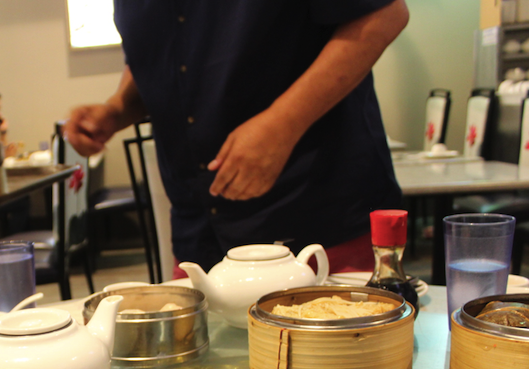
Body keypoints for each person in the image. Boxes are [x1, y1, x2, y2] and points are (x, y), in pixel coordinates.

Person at [65, 1, 410, 275]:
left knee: (338, 363)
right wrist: (116, 108)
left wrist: (282, 124)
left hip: (318, 219)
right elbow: (158, 57)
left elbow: (382, 15)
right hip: (198, 239)